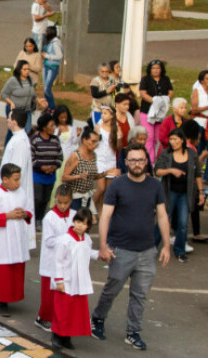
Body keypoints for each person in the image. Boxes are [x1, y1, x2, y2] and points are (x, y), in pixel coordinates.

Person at [91, 143, 171, 350]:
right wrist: (103, 246)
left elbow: (162, 215)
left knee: (140, 294)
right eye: (133, 160)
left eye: (141, 160)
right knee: (112, 289)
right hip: (120, 249)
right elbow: (105, 216)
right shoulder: (117, 185)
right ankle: (98, 319)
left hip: (146, 251)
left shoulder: (155, 185)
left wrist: (166, 246)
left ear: (146, 161)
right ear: (126, 162)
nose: (137, 164)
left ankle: (133, 332)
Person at [0, 163, 31, 317]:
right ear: (5, 179)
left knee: (14, 270)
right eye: (15, 180)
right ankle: (0, 301)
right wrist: (8, 216)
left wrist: (24, 214)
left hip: (17, 237)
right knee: (2, 272)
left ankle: (12, 296)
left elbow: (29, 210)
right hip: (2, 239)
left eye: (19, 179)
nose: (18, 183)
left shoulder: (22, 192)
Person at [50, 209, 98, 351]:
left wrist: (100, 254)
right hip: (66, 281)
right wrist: (59, 280)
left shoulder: (87, 240)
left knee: (73, 312)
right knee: (62, 310)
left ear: (88, 226)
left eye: (83, 224)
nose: (79, 226)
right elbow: (57, 261)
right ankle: (56, 336)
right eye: (77, 222)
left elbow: (87, 253)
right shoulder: (64, 240)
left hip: (79, 281)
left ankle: (67, 337)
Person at [155, 128, 202, 263]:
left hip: (185, 193)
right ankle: (151, 247)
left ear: (182, 140)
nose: (173, 142)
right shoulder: (166, 153)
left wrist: (200, 192)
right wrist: (171, 170)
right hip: (170, 192)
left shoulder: (192, 154)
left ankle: (180, 251)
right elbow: (157, 171)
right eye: (171, 139)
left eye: (175, 139)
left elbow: (198, 174)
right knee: (164, 219)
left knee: (183, 223)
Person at [36, 185, 75, 332]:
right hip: (51, 262)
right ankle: (43, 317)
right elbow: (48, 241)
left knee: (63, 293)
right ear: (55, 200)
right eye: (60, 202)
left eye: (66, 203)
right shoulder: (49, 218)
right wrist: (67, 240)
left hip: (66, 262)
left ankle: (60, 317)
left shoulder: (74, 216)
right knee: (48, 294)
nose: (63, 206)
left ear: (71, 201)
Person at [29, 113, 63, 221]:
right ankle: (33, 219)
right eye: (51, 125)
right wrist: (41, 167)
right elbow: (31, 157)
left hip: (50, 176)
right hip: (37, 175)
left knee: (45, 199)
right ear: (44, 127)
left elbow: (60, 156)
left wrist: (54, 166)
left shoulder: (55, 140)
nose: (54, 128)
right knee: (37, 198)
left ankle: (40, 219)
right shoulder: (35, 140)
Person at [138, 59, 173, 161]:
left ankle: (157, 161)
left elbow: (170, 91)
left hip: (160, 113)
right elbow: (143, 93)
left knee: (158, 138)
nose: (156, 70)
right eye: (153, 68)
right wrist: (154, 101)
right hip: (147, 112)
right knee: (149, 138)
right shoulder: (145, 79)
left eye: (158, 68)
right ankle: (150, 161)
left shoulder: (165, 79)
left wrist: (165, 100)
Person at [61, 127, 100, 211]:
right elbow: (64, 177)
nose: (96, 144)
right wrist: (79, 176)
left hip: (87, 197)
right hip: (74, 198)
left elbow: (92, 176)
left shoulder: (93, 155)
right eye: (93, 141)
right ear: (84, 140)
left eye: (97, 142)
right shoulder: (75, 156)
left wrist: (106, 173)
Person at [0, 60, 38, 140]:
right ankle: (8, 148)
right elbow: (3, 94)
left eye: (28, 69)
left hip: (27, 110)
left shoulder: (30, 79)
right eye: (25, 69)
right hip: (15, 110)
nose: (27, 71)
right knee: (13, 131)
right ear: (19, 69)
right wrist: (11, 102)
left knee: (27, 131)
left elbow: (32, 94)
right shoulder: (13, 80)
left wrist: (39, 100)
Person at [41, 27, 63, 108]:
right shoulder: (49, 42)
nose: (45, 34)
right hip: (46, 66)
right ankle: (48, 106)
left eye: (46, 32)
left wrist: (47, 56)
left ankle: (52, 106)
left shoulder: (56, 43)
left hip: (52, 67)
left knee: (47, 88)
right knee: (45, 88)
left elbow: (59, 56)